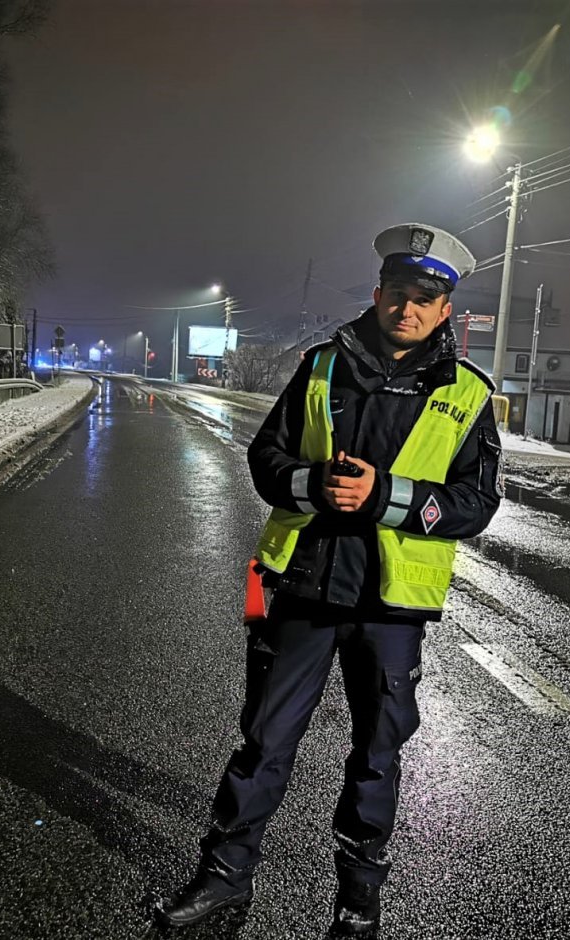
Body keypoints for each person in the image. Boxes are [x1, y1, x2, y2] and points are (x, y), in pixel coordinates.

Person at [157, 223, 504, 935]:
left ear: (445, 313)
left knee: (378, 757)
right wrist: (314, 484)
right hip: (306, 587)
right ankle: (224, 880)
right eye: (399, 294)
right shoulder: (320, 368)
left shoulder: (468, 394)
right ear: (379, 295)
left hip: (392, 606)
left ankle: (357, 903)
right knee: (264, 743)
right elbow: (266, 461)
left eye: (424, 300)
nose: (408, 309)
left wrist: (385, 498)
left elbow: (477, 504)